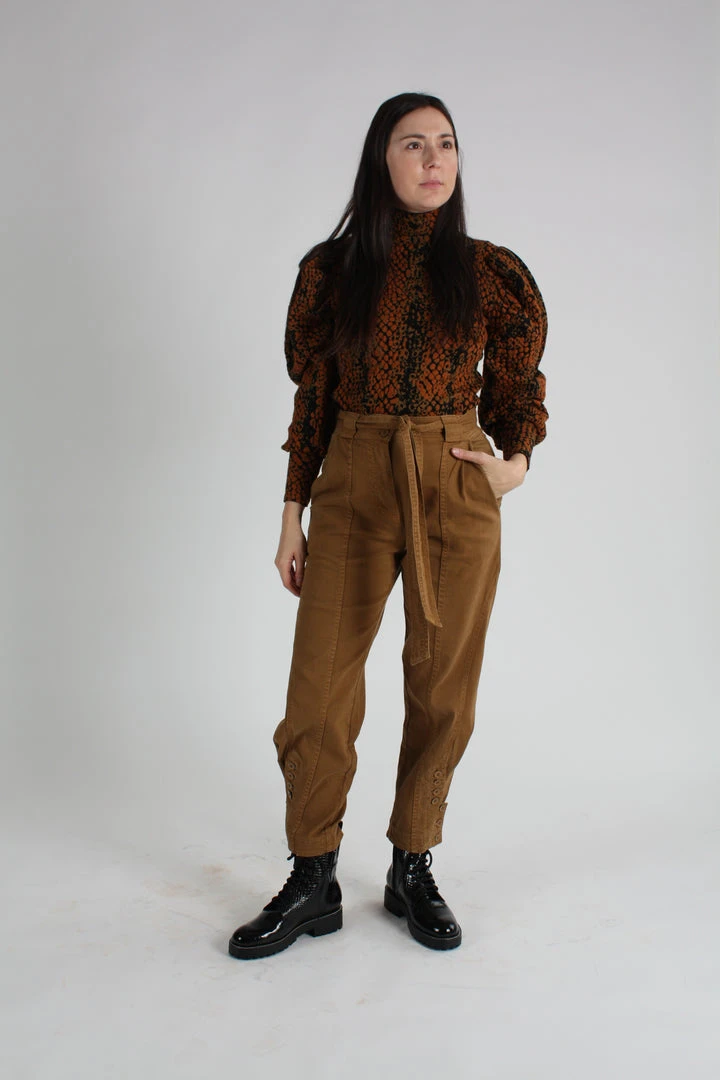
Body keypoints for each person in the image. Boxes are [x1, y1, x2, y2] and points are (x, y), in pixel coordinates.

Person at [229, 91, 549, 959]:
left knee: (443, 685)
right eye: (413, 144)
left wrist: (515, 465)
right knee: (319, 688)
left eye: (446, 143)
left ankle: (413, 863)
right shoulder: (333, 272)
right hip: (355, 474)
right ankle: (314, 874)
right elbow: (315, 397)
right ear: (381, 159)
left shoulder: (489, 272)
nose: (434, 159)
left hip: (455, 475)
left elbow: (517, 385)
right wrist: (292, 511)